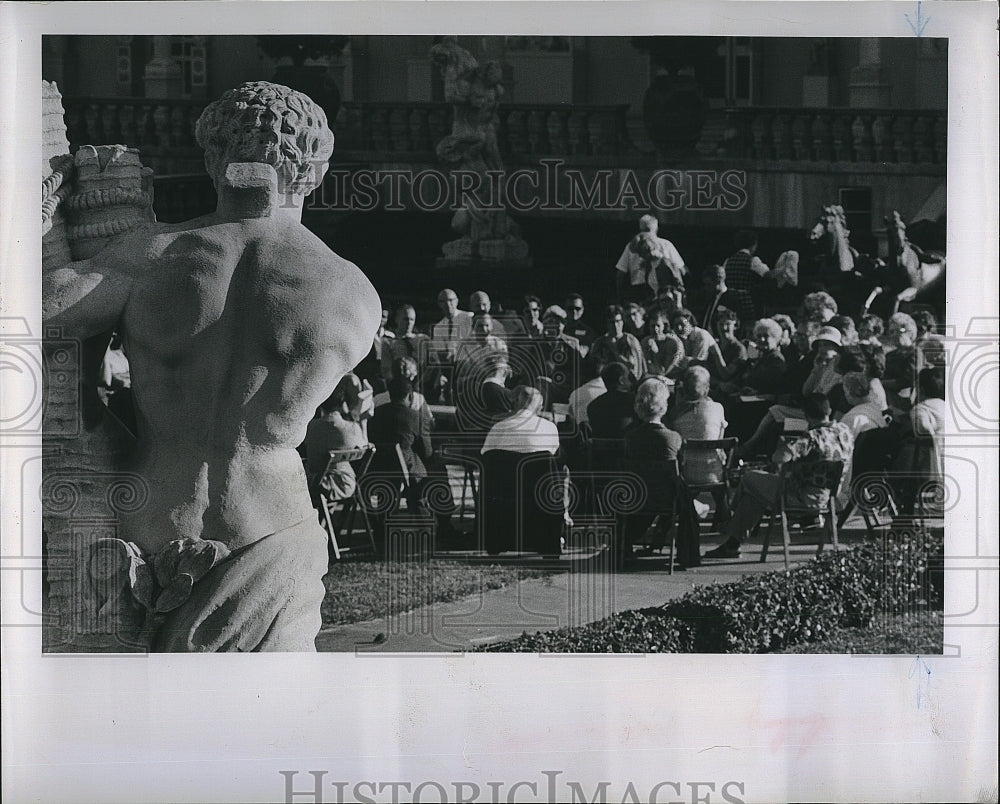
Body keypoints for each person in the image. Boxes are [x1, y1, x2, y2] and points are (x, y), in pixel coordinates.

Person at [42, 81, 382, 651]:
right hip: (270, 528)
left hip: (150, 520)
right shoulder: (351, 292)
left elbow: (32, 317)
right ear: (316, 171)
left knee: (142, 727)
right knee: (265, 725)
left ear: (211, 158)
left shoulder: (151, 255)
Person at [704, 394, 853, 559]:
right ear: (829, 410)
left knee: (749, 478)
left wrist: (785, 445)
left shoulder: (811, 437)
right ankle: (732, 544)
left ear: (806, 415)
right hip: (829, 497)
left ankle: (731, 520)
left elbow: (779, 458)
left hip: (800, 495)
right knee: (754, 495)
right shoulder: (845, 432)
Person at [368, 377, 460, 540]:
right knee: (438, 471)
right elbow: (426, 451)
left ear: (390, 395)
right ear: (410, 396)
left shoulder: (376, 415)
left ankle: (383, 523)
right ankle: (444, 523)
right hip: (407, 471)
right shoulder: (415, 417)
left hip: (378, 469)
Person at [622, 378, 686, 565]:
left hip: (636, 496)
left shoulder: (631, 438)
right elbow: (680, 470)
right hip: (668, 498)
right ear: (663, 407)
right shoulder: (673, 438)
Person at [667, 366, 730, 528]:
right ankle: (723, 515)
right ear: (707, 388)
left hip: (685, 474)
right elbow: (720, 440)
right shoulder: (718, 408)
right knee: (719, 459)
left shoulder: (674, 415)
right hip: (714, 473)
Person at [304, 373, 372, 504]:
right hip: (340, 484)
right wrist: (363, 420)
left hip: (311, 482)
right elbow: (365, 445)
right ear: (343, 403)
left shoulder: (311, 427)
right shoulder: (349, 429)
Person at [615, 214, 686, 303]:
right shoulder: (665, 246)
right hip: (648, 293)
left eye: (641, 253)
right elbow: (682, 270)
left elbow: (620, 274)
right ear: (656, 229)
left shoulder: (664, 253)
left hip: (665, 294)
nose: (640, 257)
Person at [481, 385, 560, 455]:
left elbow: (485, 453)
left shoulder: (498, 427)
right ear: (540, 408)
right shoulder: (550, 428)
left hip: (506, 471)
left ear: (517, 402)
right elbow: (553, 453)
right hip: (537, 471)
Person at [590, 304, 647, 381]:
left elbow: (635, 368)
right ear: (607, 323)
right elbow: (595, 368)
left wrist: (614, 350)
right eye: (611, 322)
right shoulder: (599, 342)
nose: (615, 326)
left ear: (623, 322)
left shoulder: (631, 340)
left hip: (628, 382)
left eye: (618, 321)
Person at [722, 230, 770, 317]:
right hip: (746, 302)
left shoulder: (728, 261)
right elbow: (767, 274)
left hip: (729, 300)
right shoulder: (753, 260)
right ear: (753, 244)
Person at [587, 362, 637, 438]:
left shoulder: (592, 406)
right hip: (629, 448)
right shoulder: (636, 402)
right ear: (621, 380)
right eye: (629, 377)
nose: (631, 381)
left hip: (601, 449)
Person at [431, 288, 473, 363]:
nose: (447, 304)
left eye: (450, 300)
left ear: (456, 301)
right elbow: (441, 354)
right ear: (439, 304)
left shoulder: (469, 317)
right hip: (454, 366)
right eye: (443, 301)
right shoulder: (438, 328)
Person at [642, 308, 686, 379]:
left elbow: (663, 372)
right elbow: (645, 368)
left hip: (674, 378)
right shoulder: (646, 341)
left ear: (664, 326)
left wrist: (655, 353)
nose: (656, 329)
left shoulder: (673, 342)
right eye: (653, 326)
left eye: (658, 326)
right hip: (654, 377)